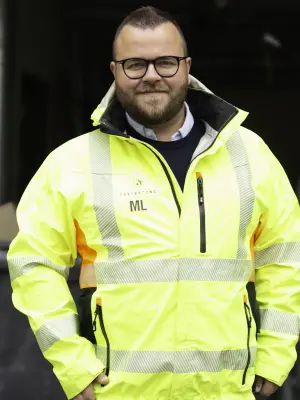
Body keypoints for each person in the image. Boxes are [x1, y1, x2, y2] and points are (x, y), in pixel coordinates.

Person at [7, 6, 300, 400]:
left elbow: (285, 258)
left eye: (165, 62)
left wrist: (276, 355)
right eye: (134, 64)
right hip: (120, 394)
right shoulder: (72, 164)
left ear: (186, 67)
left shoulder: (250, 154)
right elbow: (33, 264)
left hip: (227, 391)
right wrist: (74, 365)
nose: (151, 76)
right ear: (114, 71)